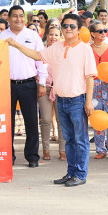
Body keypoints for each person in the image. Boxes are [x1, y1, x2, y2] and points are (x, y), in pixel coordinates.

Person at [6, 13, 96, 187]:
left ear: (79, 30)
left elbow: (90, 76)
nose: (68, 29)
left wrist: (89, 101)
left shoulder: (85, 49)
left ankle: (80, 174)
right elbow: (37, 55)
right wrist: (16, 44)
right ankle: (71, 172)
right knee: (69, 140)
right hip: (61, 99)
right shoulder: (56, 47)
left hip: (78, 100)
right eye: (65, 26)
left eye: (72, 26)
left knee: (80, 140)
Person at [0, 5, 48, 168]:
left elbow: (42, 59)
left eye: (21, 16)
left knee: (32, 122)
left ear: (24, 18)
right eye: (14, 16)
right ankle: (8, 157)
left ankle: (32, 156)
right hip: (6, 85)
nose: (18, 19)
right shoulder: (1, 37)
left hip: (28, 84)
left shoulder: (33, 36)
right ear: (8, 18)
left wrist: (42, 82)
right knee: (7, 123)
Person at [89, 20, 108, 160]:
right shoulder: (87, 50)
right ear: (92, 34)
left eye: (104, 31)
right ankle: (100, 149)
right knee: (97, 117)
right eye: (100, 31)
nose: (103, 33)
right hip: (93, 87)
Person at [41, 24, 66, 160]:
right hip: (44, 88)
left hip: (60, 88)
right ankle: (46, 149)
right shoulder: (41, 51)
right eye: (51, 34)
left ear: (60, 37)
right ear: (47, 36)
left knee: (61, 120)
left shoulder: (64, 51)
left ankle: (63, 150)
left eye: (56, 35)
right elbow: (37, 69)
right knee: (45, 119)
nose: (53, 37)